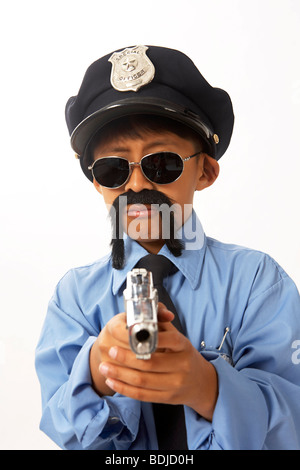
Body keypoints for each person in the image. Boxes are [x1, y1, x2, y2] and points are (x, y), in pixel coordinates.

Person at [35, 45, 300, 450]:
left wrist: (207, 387)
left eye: (162, 164)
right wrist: (95, 371)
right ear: (96, 183)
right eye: (113, 168)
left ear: (205, 171)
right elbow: (63, 430)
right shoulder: (74, 298)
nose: (137, 185)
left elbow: (292, 419)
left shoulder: (257, 283)